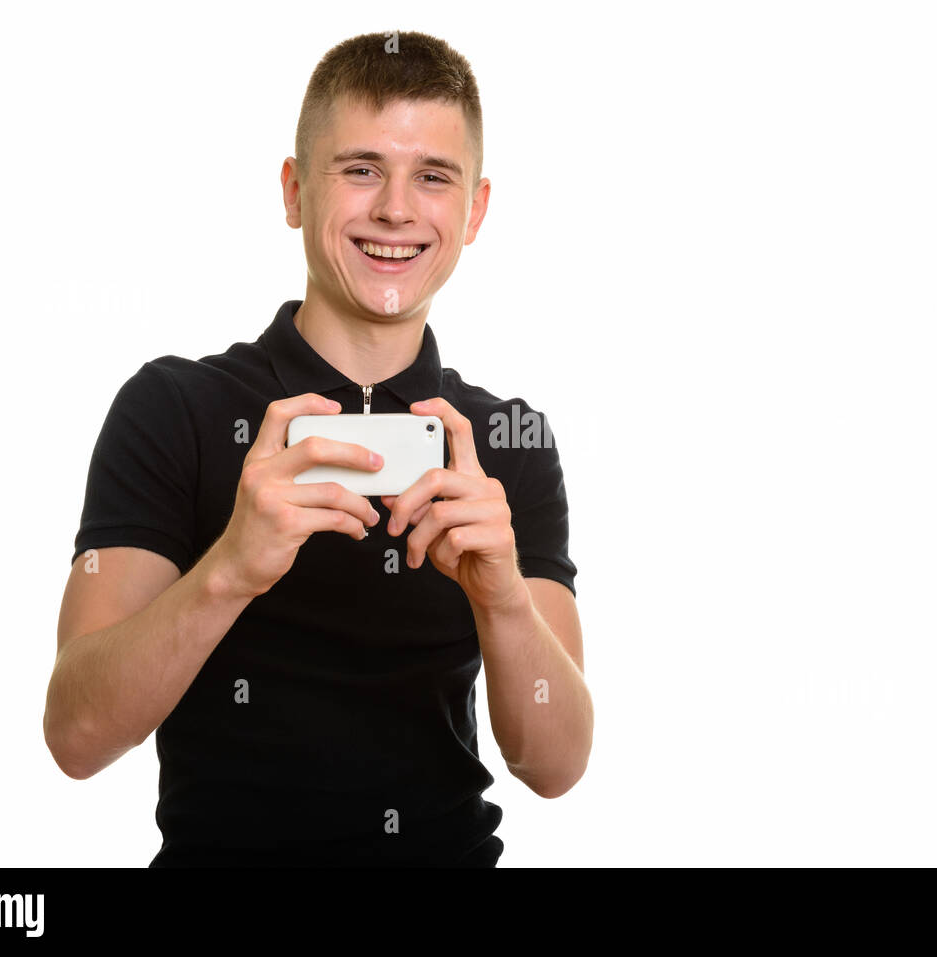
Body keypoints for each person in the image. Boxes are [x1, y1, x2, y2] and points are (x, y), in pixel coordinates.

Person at [43, 31, 592, 867]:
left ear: (475, 210)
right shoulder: (173, 407)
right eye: (361, 168)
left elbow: (555, 767)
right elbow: (76, 735)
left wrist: (503, 599)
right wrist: (229, 568)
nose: (396, 210)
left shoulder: (507, 444)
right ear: (296, 191)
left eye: (433, 177)